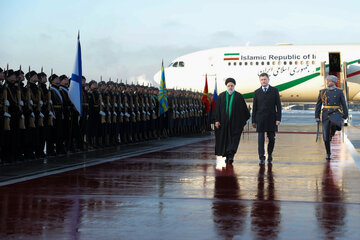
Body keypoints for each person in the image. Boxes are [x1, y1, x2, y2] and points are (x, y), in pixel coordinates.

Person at [215, 78, 250, 163]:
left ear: (234, 86)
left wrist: (241, 122)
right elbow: (217, 110)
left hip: (235, 124)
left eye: (232, 86)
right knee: (225, 140)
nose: (230, 87)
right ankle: (227, 156)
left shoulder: (239, 96)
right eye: (228, 86)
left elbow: (244, 111)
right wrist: (217, 120)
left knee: (234, 140)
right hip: (224, 124)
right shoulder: (221, 96)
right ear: (226, 86)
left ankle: (231, 155)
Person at [315, 75, 348, 160]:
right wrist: (317, 116)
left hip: (336, 112)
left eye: (329, 81)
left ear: (333, 82)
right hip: (325, 114)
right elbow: (318, 105)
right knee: (325, 137)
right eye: (327, 81)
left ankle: (332, 132)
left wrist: (345, 114)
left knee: (337, 125)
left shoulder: (339, 92)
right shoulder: (322, 92)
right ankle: (328, 153)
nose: (327, 82)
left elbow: (344, 104)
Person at [252, 73, 282, 165]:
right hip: (260, 119)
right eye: (261, 80)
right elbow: (254, 107)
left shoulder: (274, 90)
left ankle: (270, 154)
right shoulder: (257, 92)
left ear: (268, 80)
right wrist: (253, 120)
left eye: (265, 79)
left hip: (271, 119)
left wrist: (278, 119)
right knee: (260, 140)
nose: (263, 81)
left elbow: (278, 106)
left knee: (272, 139)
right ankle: (261, 157)